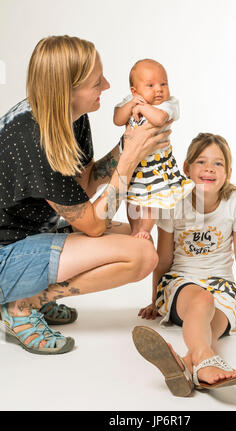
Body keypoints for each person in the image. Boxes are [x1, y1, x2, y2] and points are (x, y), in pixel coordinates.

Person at [0, 35, 172, 355]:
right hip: (6, 253)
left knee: (137, 236)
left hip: (35, 234)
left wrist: (128, 143)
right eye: (96, 82)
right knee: (141, 256)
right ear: (66, 91)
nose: (107, 86)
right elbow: (91, 225)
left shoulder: (72, 117)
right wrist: (131, 158)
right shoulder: (33, 138)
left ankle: (33, 292)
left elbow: (85, 183)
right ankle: (22, 305)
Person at [132, 132, 236, 396]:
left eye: (218, 163)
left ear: (228, 172)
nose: (209, 168)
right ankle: (207, 363)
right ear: (187, 168)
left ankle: (189, 362)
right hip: (181, 284)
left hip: (223, 287)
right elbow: (164, 258)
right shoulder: (173, 203)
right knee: (203, 300)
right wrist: (155, 301)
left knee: (216, 318)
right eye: (201, 162)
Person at [113, 59, 194, 240]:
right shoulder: (131, 101)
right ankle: (135, 228)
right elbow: (118, 119)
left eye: (163, 84)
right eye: (150, 85)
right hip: (135, 164)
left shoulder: (168, 104)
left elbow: (159, 119)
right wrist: (132, 104)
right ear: (135, 91)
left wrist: (142, 107)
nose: (159, 89)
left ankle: (146, 229)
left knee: (152, 199)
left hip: (156, 165)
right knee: (132, 198)